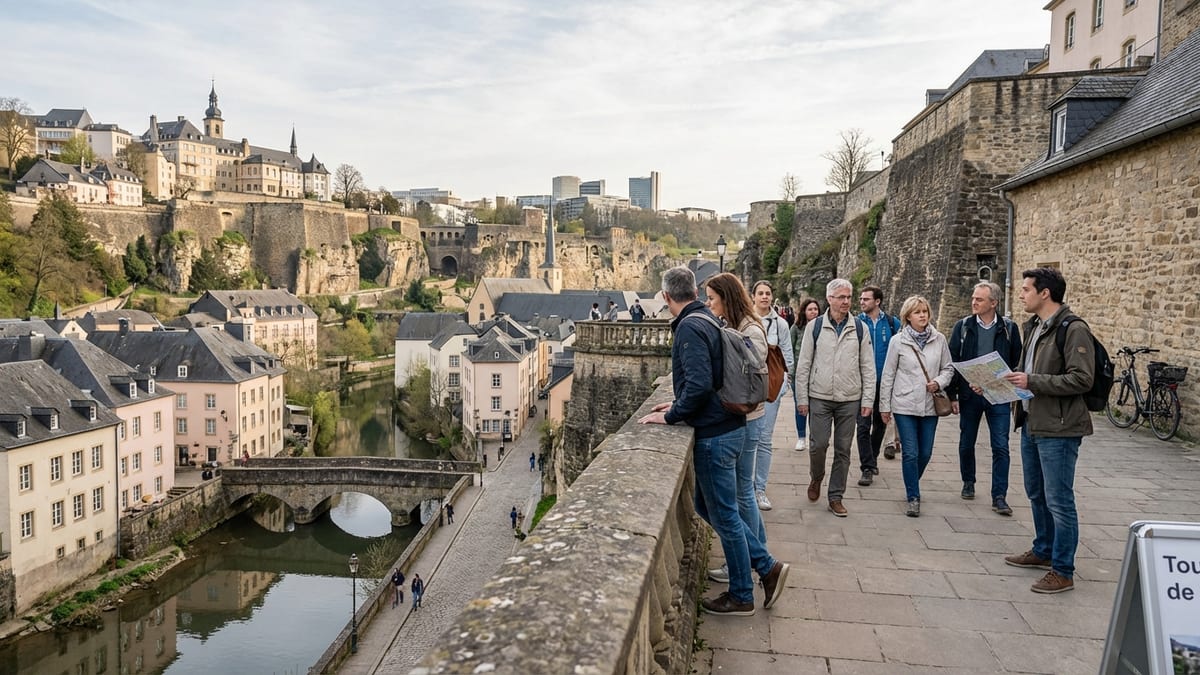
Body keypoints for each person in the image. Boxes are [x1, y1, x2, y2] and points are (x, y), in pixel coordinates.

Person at [638, 266, 789, 616]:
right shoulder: (707, 317)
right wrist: (677, 402)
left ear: (665, 297)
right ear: (693, 291)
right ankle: (765, 567)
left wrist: (672, 414)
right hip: (729, 427)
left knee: (725, 513)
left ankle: (744, 590)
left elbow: (701, 383)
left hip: (716, 434)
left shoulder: (691, 326)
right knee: (710, 508)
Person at [1001, 267, 1095, 594]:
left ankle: (1063, 569)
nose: (1022, 294)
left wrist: (1031, 381)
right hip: (1031, 421)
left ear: (1045, 293)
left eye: (1026, 289)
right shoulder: (1035, 327)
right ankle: (1043, 550)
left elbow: (1082, 379)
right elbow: (1028, 372)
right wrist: (1002, 383)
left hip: (1059, 426)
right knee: (1036, 493)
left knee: (1059, 499)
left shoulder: (1073, 328)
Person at [699, 273, 769, 585]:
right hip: (745, 418)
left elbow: (750, 364)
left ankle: (748, 560)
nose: (709, 304)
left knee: (744, 493)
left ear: (726, 298)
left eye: (712, 299)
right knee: (744, 493)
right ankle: (757, 555)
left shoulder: (749, 327)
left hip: (749, 419)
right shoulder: (736, 324)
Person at [794, 279, 876, 517]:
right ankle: (816, 477)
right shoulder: (815, 327)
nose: (846, 302)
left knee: (843, 449)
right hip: (819, 396)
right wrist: (802, 398)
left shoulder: (860, 328)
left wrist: (868, 400)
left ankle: (836, 496)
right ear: (829, 299)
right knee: (818, 445)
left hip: (849, 398)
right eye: (841, 297)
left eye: (849, 297)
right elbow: (804, 364)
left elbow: (868, 367)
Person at [948, 281, 1022, 515]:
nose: (973, 302)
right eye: (973, 297)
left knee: (1001, 446)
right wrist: (953, 395)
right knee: (966, 442)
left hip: (998, 395)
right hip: (970, 395)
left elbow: (1016, 362)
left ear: (994, 303)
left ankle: (999, 496)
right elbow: (953, 361)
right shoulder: (963, 327)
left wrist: (1006, 387)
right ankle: (968, 481)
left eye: (979, 299)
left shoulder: (1010, 328)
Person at [879, 295, 955, 517]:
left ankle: (911, 481)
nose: (922, 315)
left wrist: (939, 382)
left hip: (931, 405)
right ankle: (913, 495)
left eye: (925, 311)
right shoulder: (898, 341)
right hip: (905, 404)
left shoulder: (939, 339)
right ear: (908, 316)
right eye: (917, 312)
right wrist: (885, 406)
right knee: (910, 453)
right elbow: (888, 374)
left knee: (925, 453)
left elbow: (948, 368)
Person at [749, 280, 794, 511]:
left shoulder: (781, 324)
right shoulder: (745, 320)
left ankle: (760, 489)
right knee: (749, 438)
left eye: (768, 293)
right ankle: (746, 487)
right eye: (761, 293)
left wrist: (785, 382)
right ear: (753, 296)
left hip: (772, 387)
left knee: (764, 439)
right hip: (748, 387)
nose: (765, 297)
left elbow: (787, 353)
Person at [855, 285, 902, 487]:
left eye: (866, 299)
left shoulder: (892, 323)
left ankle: (871, 459)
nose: (862, 302)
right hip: (862, 382)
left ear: (877, 301)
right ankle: (867, 466)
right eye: (861, 299)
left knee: (880, 424)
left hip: (885, 383)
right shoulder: (856, 323)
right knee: (863, 425)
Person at [790, 298, 821, 451]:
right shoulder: (796, 328)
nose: (813, 312)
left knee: (816, 409)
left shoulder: (822, 327)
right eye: (810, 309)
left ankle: (814, 437)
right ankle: (801, 437)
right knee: (801, 408)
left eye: (815, 309)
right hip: (799, 375)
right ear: (804, 311)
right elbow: (789, 350)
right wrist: (790, 373)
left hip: (818, 375)